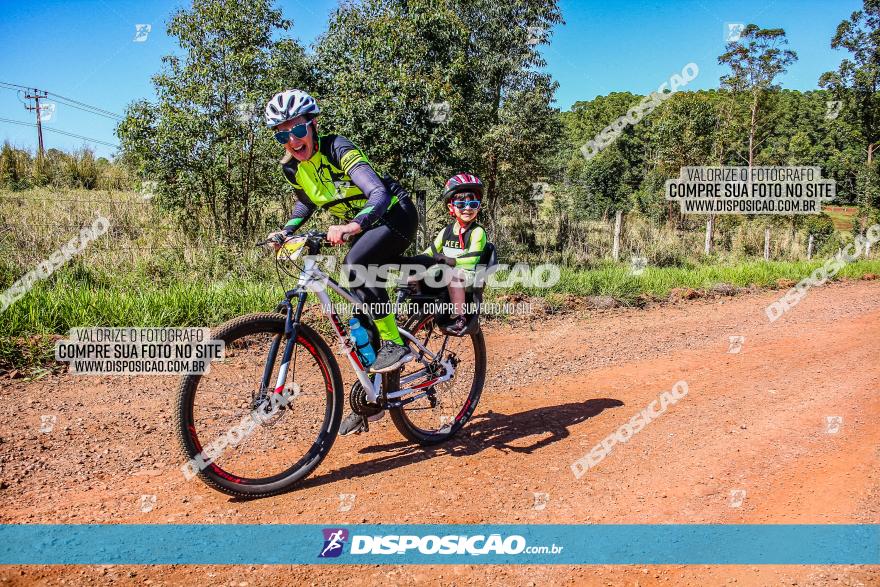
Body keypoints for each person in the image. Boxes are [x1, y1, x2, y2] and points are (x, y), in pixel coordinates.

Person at [264, 89, 418, 435]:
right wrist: (285, 231)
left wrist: (353, 225)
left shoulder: (338, 148)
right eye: (281, 133)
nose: (292, 139)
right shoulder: (292, 167)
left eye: (298, 129)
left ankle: (396, 344)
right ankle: (372, 399)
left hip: (394, 216)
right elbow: (306, 202)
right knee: (357, 319)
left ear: (313, 124)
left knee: (355, 263)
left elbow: (377, 193)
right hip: (361, 227)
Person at [419, 173, 488, 335]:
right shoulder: (446, 231)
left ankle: (460, 317)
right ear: (451, 207)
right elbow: (431, 252)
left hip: (470, 275)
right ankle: (419, 317)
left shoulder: (477, 232)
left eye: (473, 203)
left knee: (452, 274)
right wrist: (416, 263)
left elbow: (473, 259)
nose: (467, 208)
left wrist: (448, 260)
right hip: (448, 272)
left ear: (478, 207)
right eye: (461, 204)